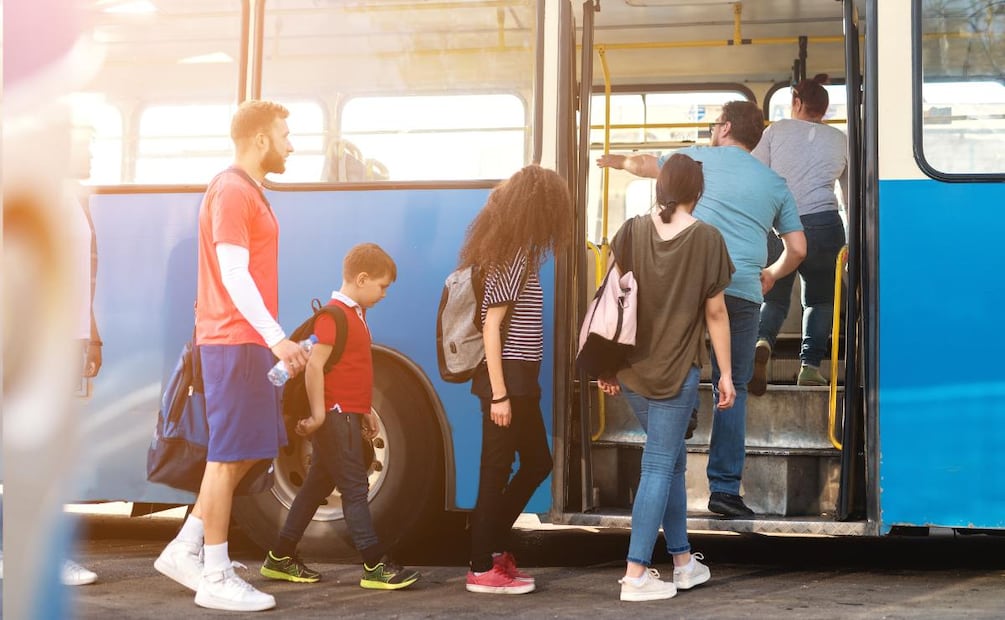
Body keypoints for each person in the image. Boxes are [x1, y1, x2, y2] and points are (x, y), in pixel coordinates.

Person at [597, 100, 806, 518]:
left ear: (725, 128)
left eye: (715, 124)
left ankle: (684, 414)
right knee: (735, 386)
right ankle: (725, 490)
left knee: (679, 364)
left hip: (686, 284)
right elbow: (798, 248)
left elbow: (643, 164)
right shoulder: (774, 182)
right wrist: (771, 274)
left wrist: (614, 159)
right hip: (743, 289)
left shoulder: (695, 160)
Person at [154, 100, 309, 612]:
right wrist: (277, 338)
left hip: (243, 342)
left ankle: (187, 547)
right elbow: (233, 273)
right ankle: (216, 574)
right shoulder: (232, 190)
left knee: (245, 451)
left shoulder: (251, 192)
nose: (292, 144)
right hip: (234, 341)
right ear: (260, 139)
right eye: (285, 135)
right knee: (226, 457)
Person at [598, 154, 735, 601]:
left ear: (661, 189)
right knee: (659, 463)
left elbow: (611, 301)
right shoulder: (708, 239)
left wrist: (606, 364)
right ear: (698, 192)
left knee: (672, 461)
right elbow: (716, 313)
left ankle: (681, 561)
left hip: (633, 371)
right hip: (676, 372)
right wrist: (726, 375)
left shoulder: (632, 231)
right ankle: (635, 574)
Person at [258, 243, 420, 590]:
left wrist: (364, 414)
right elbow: (315, 367)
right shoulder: (333, 317)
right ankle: (374, 564)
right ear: (362, 279)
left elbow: (352, 372)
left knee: (318, 485)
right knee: (355, 487)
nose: (384, 293)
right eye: (382, 286)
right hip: (334, 416)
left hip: (347, 415)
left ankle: (280, 556)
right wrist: (318, 416)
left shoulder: (355, 315)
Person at [460, 165, 572, 594]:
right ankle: (480, 565)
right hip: (504, 380)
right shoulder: (512, 255)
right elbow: (492, 325)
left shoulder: (520, 250)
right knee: (496, 470)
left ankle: (488, 543)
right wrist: (500, 394)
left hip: (519, 379)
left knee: (537, 462)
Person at [749, 75, 849, 393]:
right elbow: (850, 195)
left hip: (779, 224)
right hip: (825, 225)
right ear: (825, 109)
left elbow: (755, 175)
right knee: (820, 301)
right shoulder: (840, 139)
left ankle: (762, 341)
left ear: (796, 103)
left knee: (773, 298)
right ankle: (809, 367)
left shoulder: (776, 130)